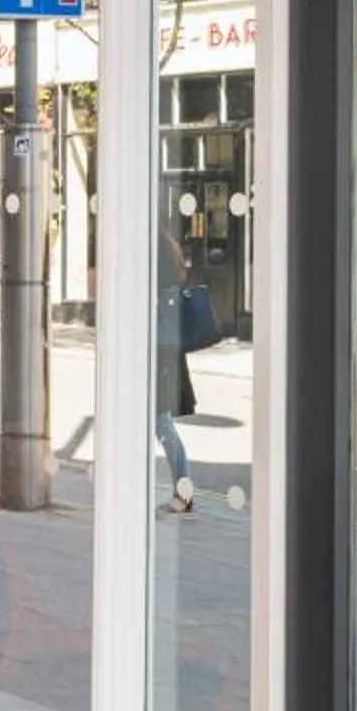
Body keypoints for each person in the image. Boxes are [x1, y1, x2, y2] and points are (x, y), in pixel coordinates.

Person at [157, 217, 199, 514]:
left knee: (163, 426)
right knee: (160, 426)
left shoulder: (163, 289)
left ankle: (183, 494)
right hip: (161, 362)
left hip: (159, 364)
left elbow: (161, 333)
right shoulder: (170, 270)